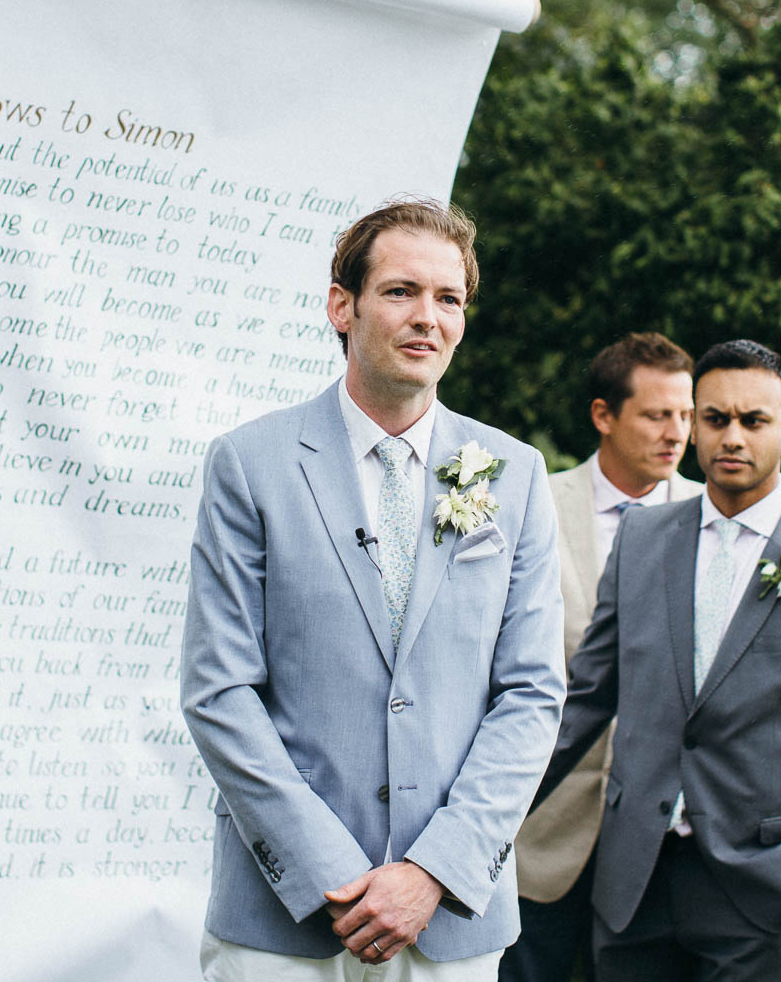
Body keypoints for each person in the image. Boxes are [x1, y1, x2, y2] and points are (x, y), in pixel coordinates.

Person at [182, 198, 567, 981]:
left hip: (450, 917)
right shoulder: (249, 465)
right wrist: (331, 874)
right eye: (400, 291)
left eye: (448, 298)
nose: (427, 316)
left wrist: (433, 872)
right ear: (341, 306)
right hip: (282, 919)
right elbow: (219, 692)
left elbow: (532, 694)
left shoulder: (516, 475)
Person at [535, 339, 781, 982]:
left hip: (763, 895)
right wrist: (486, 813)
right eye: (715, 419)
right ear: (695, 423)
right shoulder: (643, 539)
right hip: (633, 886)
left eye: (753, 421)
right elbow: (586, 699)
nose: (731, 437)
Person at [500, 332, 700, 982]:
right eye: (655, 414)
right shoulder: (533, 507)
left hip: (663, 850)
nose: (677, 433)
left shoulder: (715, 519)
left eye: (686, 414)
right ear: (603, 416)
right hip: (539, 834)